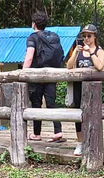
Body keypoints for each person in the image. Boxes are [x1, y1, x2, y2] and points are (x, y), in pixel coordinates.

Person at [22, 12, 65, 143]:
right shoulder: (53, 36)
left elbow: (29, 57)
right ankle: (58, 131)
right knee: (51, 103)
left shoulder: (32, 37)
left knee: (36, 104)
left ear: (33, 24)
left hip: (37, 75)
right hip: (52, 74)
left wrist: (23, 73)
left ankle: (36, 133)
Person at [67, 24, 104, 156]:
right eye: (84, 36)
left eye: (89, 36)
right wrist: (76, 52)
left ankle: (93, 142)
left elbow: (100, 66)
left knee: (93, 114)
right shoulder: (78, 51)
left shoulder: (99, 51)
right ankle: (80, 142)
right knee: (79, 115)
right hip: (79, 87)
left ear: (95, 37)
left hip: (93, 89)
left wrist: (90, 52)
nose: (86, 39)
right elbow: (69, 66)